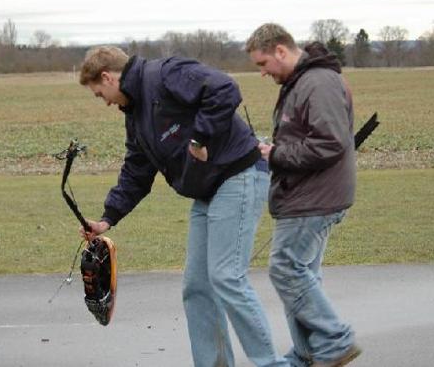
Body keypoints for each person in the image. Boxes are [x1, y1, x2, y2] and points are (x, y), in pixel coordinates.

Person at [77, 46, 288, 367]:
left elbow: (224, 88)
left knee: (227, 277)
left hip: (238, 174)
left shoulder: (165, 74)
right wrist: (107, 219)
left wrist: (199, 139)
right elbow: (137, 171)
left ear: (107, 77)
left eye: (99, 94)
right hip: (208, 190)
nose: (103, 101)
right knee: (197, 286)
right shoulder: (135, 114)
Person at [245, 24, 362, 367]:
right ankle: (308, 354)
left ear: (281, 50)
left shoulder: (318, 82)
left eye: (263, 63)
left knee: (286, 268)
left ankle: (335, 341)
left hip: (314, 196)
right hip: (307, 193)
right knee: (300, 275)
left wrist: (275, 155)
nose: (263, 73)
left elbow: (330, 143)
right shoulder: (303, 82)